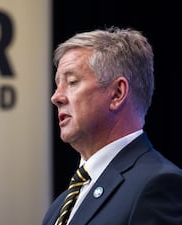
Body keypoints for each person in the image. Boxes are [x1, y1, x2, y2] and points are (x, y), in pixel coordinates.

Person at [42, 27, 182, 225]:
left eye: (72, 82)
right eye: (57, 85)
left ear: (117, 93)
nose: (56, 97)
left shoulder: (158, 186)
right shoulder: (58, 208)